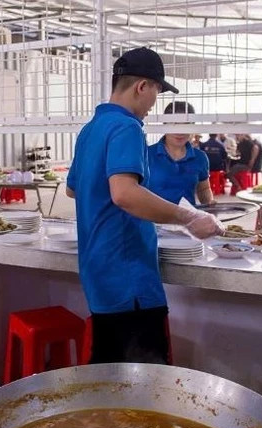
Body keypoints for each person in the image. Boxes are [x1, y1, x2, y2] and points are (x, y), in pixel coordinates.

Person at [65, 47, 223, 364]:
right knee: (145, 386)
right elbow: (124, 193)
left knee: (109, 374)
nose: (153, 104)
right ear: (142, 86)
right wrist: (188, 217)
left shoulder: (91, 129)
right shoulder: (127, 127)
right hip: (129, 277)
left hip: (99, 270)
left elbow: (73, 190)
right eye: (156, 92)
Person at [147, 101, 214, 206]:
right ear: (164, 124)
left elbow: (203, 188)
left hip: (188, 219)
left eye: (185, 124)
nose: (180, 131)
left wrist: (209, 203)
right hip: (153, 220)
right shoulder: (146, 154)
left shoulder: (200, 158)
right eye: (174, 124)